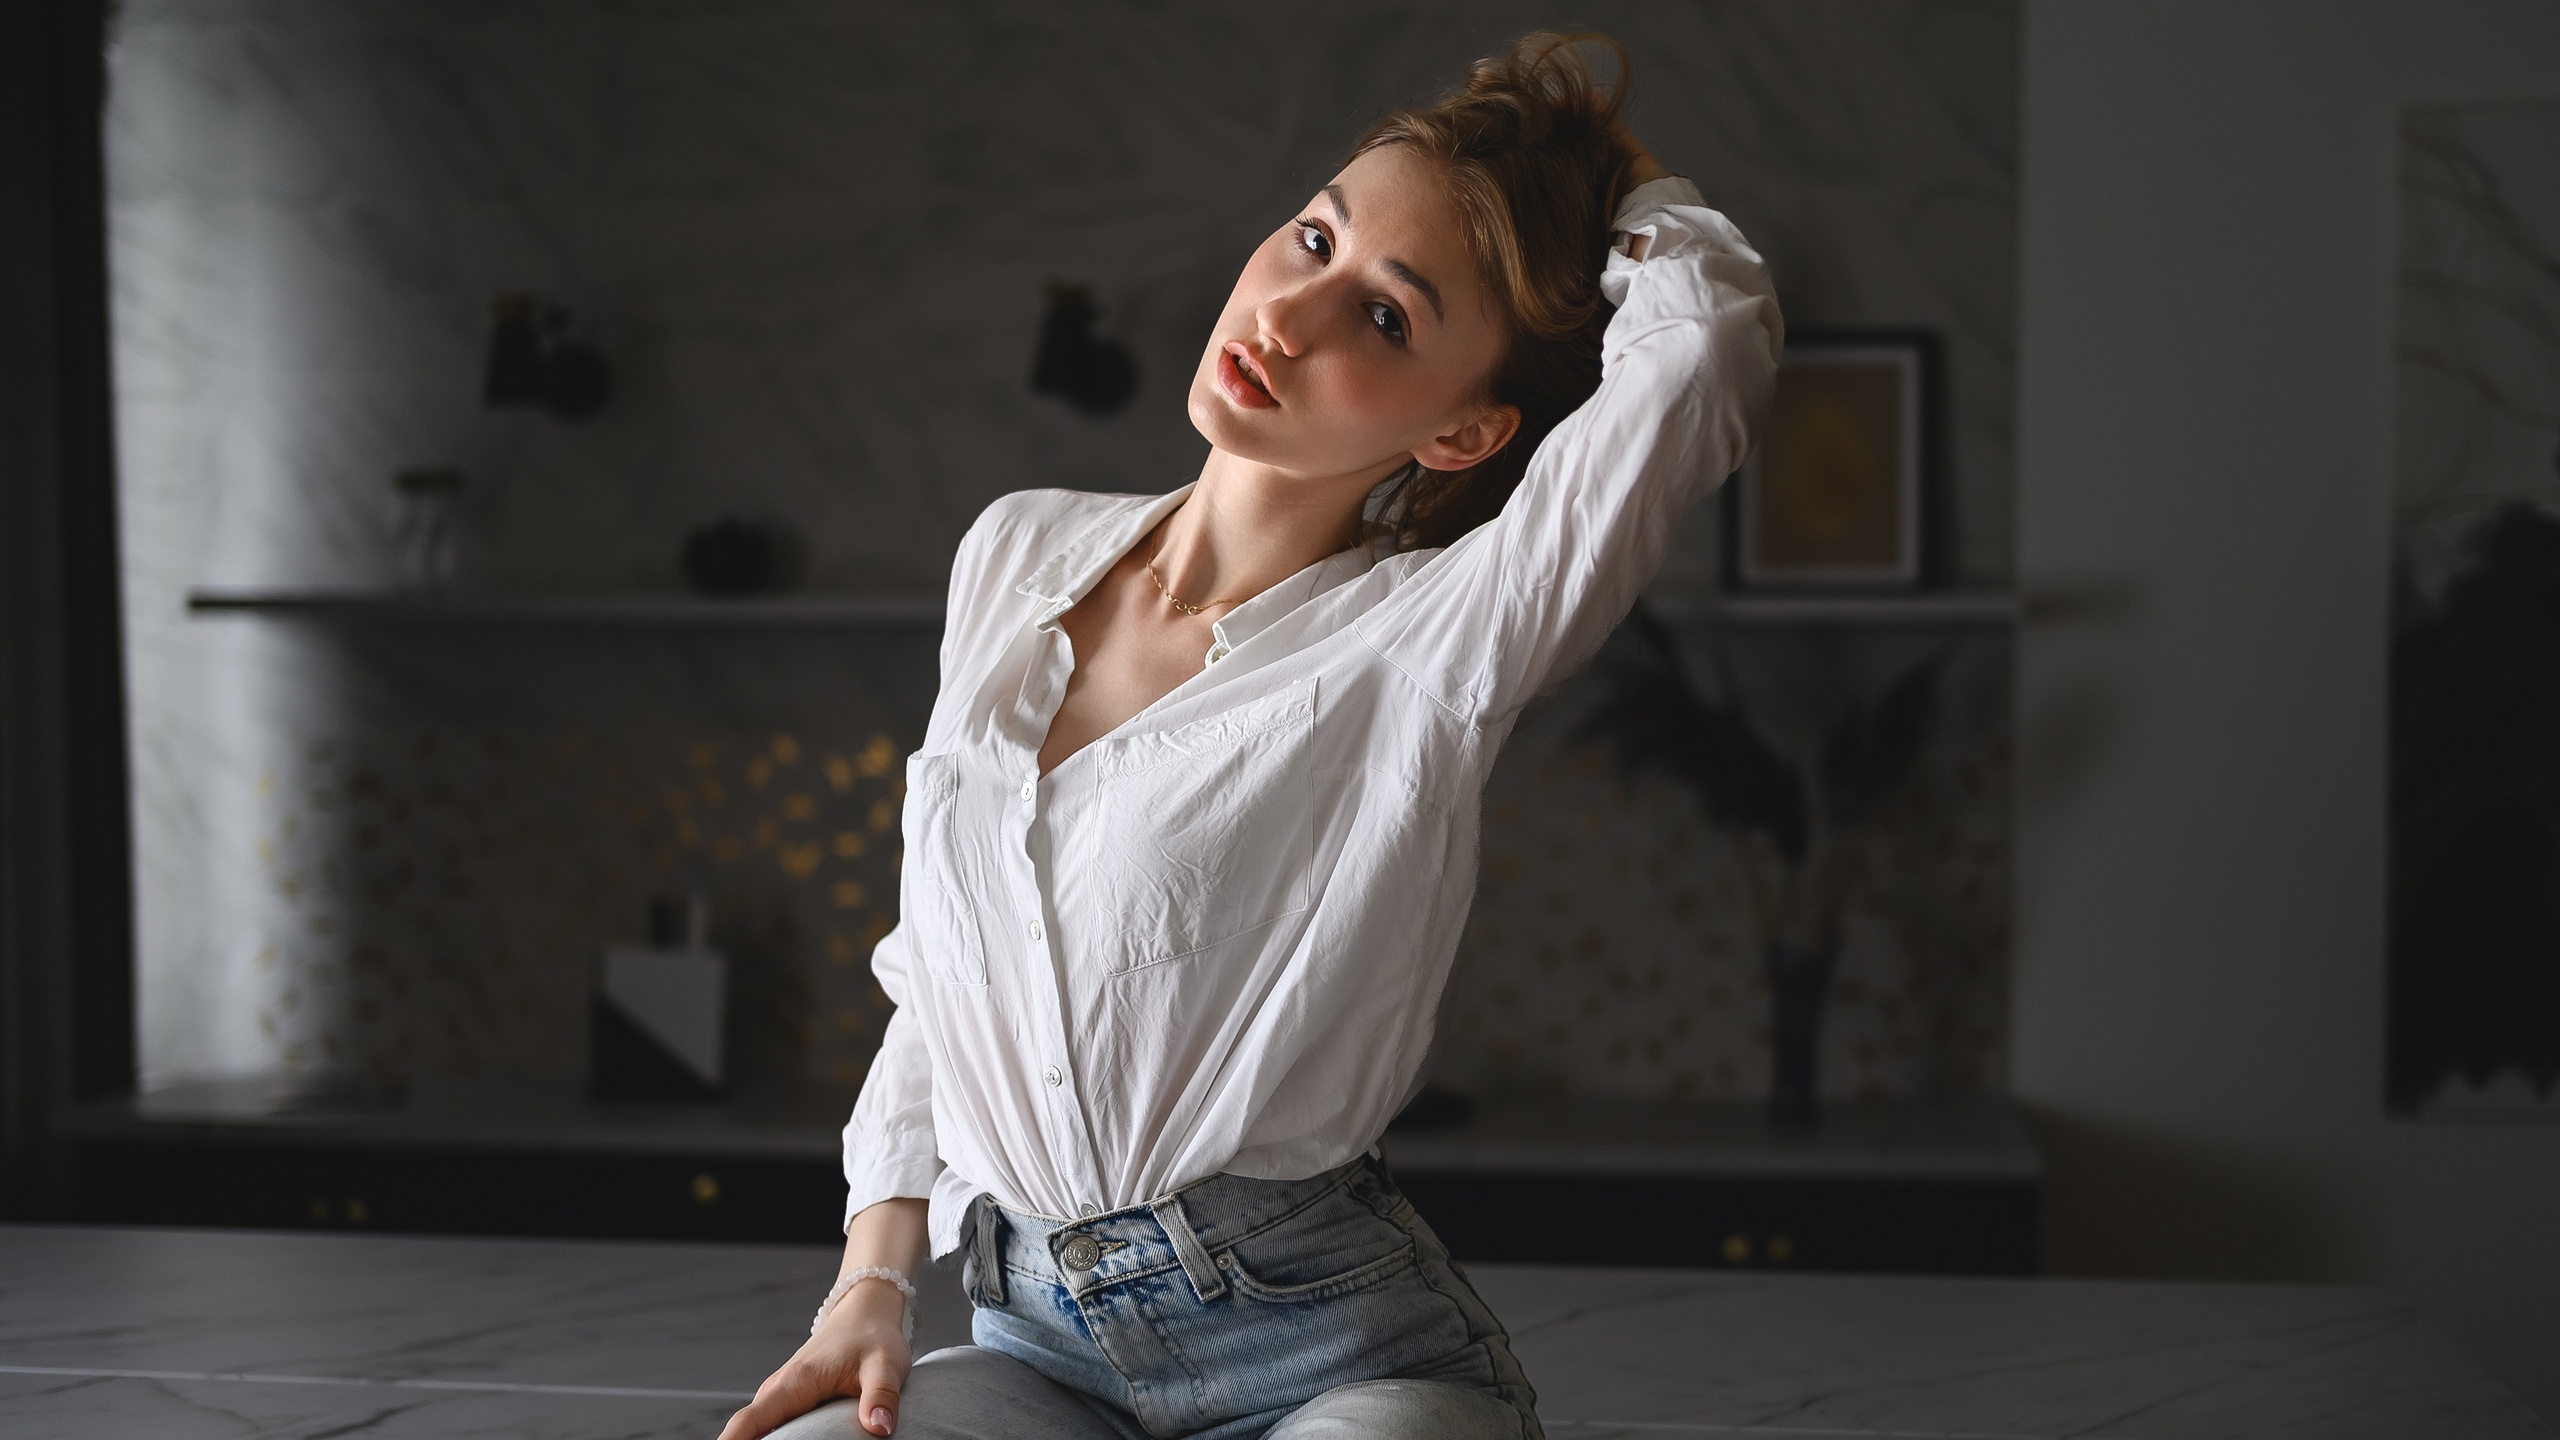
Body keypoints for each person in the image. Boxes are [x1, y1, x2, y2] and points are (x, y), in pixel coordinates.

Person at [720, 31, 1780, 1440]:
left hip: (1335, 1350)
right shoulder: (1017, 552)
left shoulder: (1438, 635)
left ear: (1466, 433)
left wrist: (1604, 170)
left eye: (1389, 318)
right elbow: (946, 977)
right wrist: (869, 1278)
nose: (1293, 315)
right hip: (1035, 1342)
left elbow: (1700, 345)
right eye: (1313, 237)